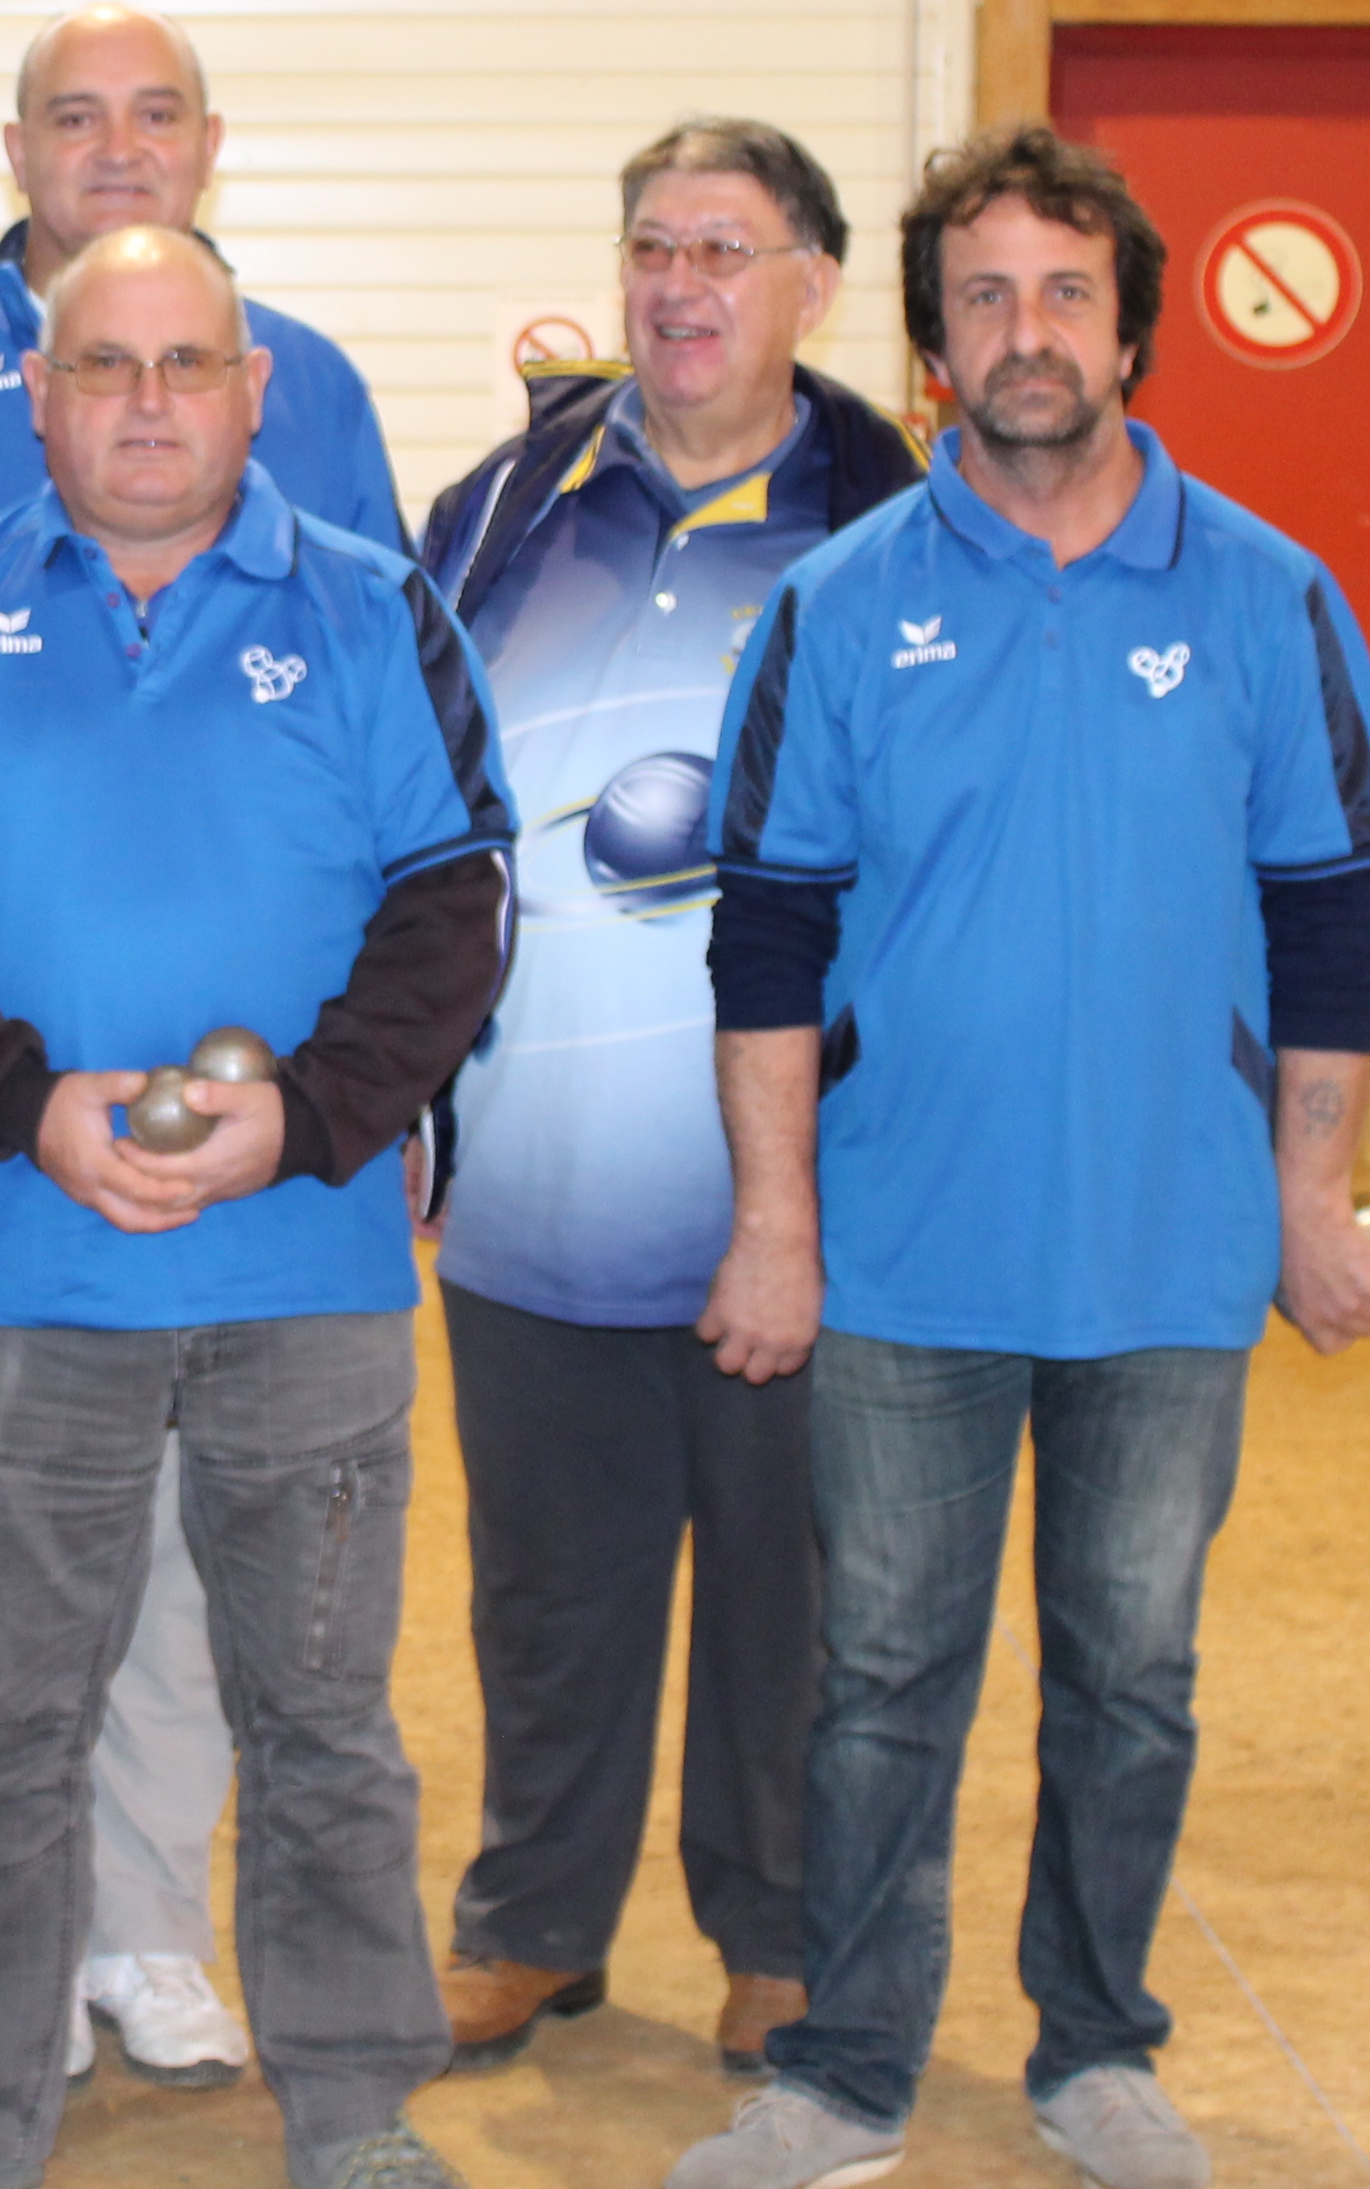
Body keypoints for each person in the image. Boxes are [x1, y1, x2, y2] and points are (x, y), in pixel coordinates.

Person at [669, 124, 1370, 2189]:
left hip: (1167, 1256)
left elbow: (1333, 915)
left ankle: (1098, 2042)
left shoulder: (1271, 596)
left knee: (1134, 1672)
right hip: (905, 1253)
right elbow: (771, 929)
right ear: (928, 341)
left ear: (1133, 331)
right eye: (984, 294)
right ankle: (848, 2068)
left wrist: (1305, 1204)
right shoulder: (840, 607)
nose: (1026, 332)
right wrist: (773, 1221)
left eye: (1066, 291)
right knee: (884, 1679)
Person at [0, 225, 513, 2189]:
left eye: (189, 364)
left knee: (323, 1717)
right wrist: (30, 1104)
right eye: (104, 366)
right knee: (1, 1722)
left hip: (313, 1263)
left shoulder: (372, 613)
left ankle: (355, 2100)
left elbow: (461, 903)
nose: (147, 404)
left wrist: (312, 1118)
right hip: (26, 1261)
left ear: (254, 385)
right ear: (38, 393)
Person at [407, 120, 922, 2084]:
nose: (680, 282)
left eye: (728, 244)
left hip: (802, 1172)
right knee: (547, 1578)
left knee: (787, 1588)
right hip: (535, 1165)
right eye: (652, 244)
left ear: (814, 281)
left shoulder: (893, 521)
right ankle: (533, 1920)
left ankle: (776, 1934)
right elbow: (412, 801)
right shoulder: (504, 507)